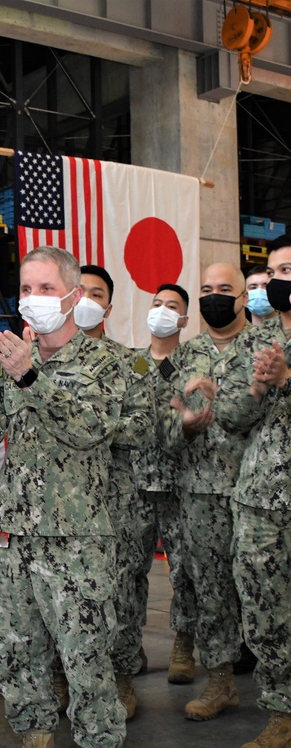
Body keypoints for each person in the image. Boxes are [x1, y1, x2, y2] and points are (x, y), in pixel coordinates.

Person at [0, 246, 125, 748]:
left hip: (76, 539)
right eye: (26, 288)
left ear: (74, 297)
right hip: (11, 535)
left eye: (46, 288)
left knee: (84, 659)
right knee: (15, 654)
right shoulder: (11, 362)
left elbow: (87, 428)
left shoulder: (103, 364)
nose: (34, 299)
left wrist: (28, 374)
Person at [162, 262, 259, 722]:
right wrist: (182, 424)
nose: (214, 296)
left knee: (265, 589)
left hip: (258, 490)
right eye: (206, 289)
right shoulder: (188, 353)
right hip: (200, 492)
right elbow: (165, 420)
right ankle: (221, 681)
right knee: (212, 589)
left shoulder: (265, 348)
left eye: (225, 289)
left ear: (243, 298)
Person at [211, 237, 291, 748]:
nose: (284, 278)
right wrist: (260, 389)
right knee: (264, 611)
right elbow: (231, 418)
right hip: (262, 496)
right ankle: (282, 715)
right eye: (278, 269)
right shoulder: (254, 342)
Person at [74, 264, 154, 720]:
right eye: (79, 291)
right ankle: (65, 677)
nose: (87, 299)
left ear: (109, 305)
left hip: (116, 501)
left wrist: (86, 428)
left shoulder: (133, 361)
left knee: (122, 590)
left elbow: (143, 426)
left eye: (96, 293)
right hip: (60, 503)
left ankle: (122, 676)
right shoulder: (39, 360)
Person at [138, 285, 196, 685]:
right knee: (129, 573)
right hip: (136, 485)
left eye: (171, 306)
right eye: (157, 304)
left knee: (185, 573)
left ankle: (184, 645)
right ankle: (129, 649)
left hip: (179, 487)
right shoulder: (132, 364)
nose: (161, 311)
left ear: (184, 319)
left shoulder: (194, 365)